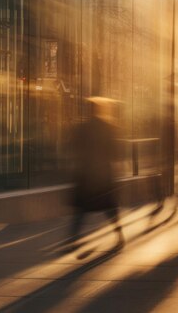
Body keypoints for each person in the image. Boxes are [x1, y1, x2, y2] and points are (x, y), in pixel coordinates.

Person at [70, 98, 124, 248]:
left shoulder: (82, 128)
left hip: (86, 175)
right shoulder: (108, 127)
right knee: (110, 209)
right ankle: (119, 235)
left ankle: (73, 238)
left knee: (81, 210)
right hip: (103, 175)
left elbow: (75, 149)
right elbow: (115, 152)